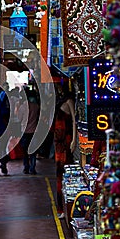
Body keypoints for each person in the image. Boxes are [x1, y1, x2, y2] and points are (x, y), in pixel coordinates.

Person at [54, 82, 77, 219]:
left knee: (63, 172)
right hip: (59, 142)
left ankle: (64, 207)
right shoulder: (61, 100)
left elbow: (74, 121)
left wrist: (74, 139)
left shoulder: (69, 101)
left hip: (66, 141)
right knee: (59, 172)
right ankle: (61, 206)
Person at [18, 88, 40, 174]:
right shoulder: (35, 106)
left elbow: (19, 119)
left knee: (25, 151)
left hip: (24, 132)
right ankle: (32, 168)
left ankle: (26, 168)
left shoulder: (22, 107)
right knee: (33, 151)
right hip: (34, 131)